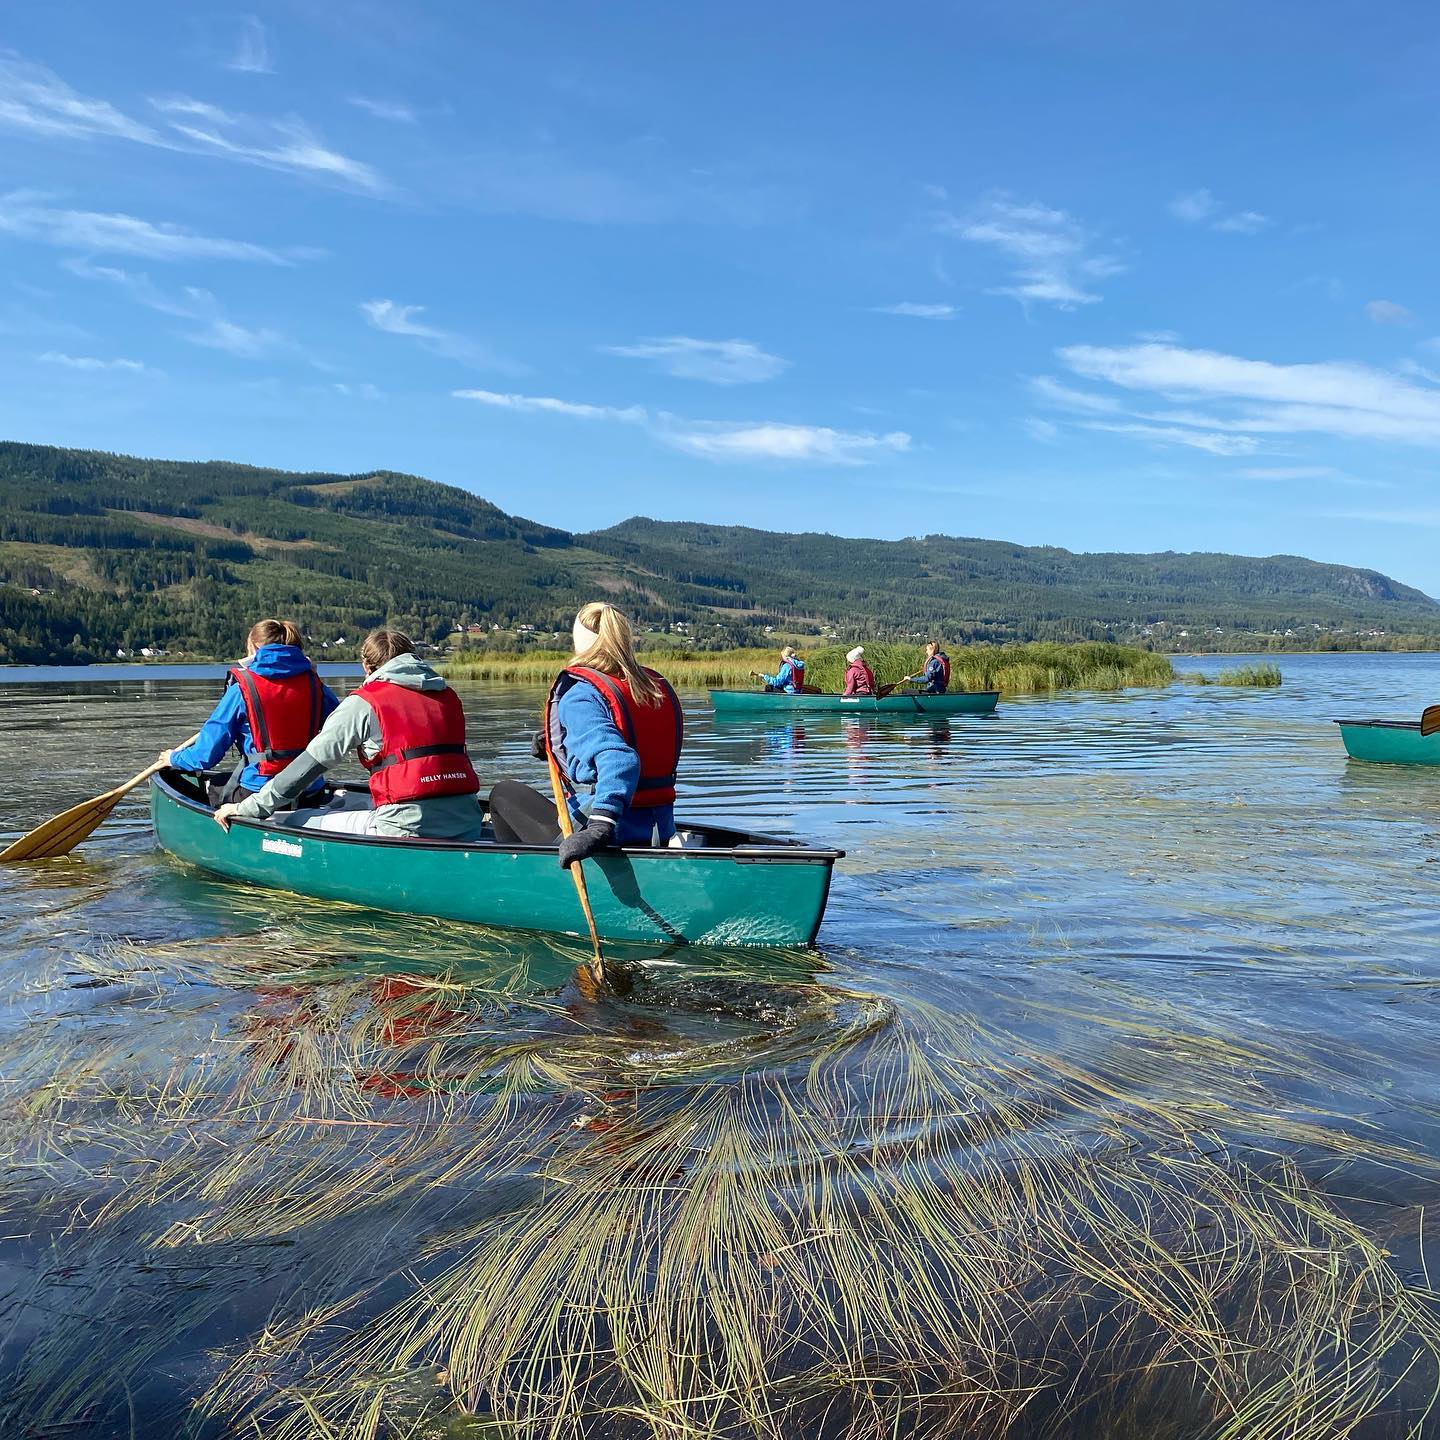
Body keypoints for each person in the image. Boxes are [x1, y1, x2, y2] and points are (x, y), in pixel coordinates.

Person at [212, 628, 484, 840]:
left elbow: (305, 769)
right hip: (467, 822)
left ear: (366, 665)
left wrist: (247, 808)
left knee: (288, 819)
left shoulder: (365, 702)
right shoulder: (448, 697)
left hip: (404, 828)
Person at [489, 602, 683, 867]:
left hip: (613, 832)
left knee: (503, 794)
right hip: (657, 827)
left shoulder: (580, 695)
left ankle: (518, 880)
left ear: (578, 642)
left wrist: (599, 827)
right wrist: (558, 746)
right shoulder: (652, 688)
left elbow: (620, 759)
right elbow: (633, 740)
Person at [160, 619, 337, 805]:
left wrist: (173, 758)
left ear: (252, 646)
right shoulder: (316, 686)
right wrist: (314, 676)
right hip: (309, 791)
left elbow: (205, 755)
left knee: (214, 786)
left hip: (258, 792)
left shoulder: (242, 690)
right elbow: (340, 727)